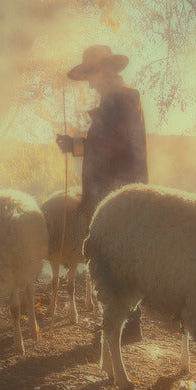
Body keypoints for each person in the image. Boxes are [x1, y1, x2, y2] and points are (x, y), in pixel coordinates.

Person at [56, 45, 148, 344]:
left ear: (107, 71)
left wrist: (77, 145)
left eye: (92, 75)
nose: (91, 82)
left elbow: (113, 146)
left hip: (120, 192)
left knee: (122, 256)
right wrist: (76, 145)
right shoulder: (115, 100)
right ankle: (120, 322)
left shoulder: (124, 99)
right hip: (112, 191)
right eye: (88, 77)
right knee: (113, 256)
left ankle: (127, 325)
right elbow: (103, 144)